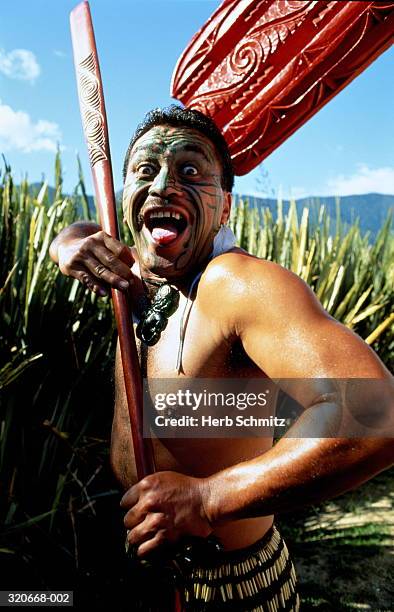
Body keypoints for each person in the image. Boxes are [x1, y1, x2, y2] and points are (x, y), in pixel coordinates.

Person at [49, 105, 393, 611]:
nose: (164, 184)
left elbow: (377, 414)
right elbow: (84, 231)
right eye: (146, 172)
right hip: (145, 573)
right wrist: (69, 243)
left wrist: (208, 499)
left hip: (230, 587)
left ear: (226, 206)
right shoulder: (138, 278)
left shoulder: (238, 285)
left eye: (190, 171)